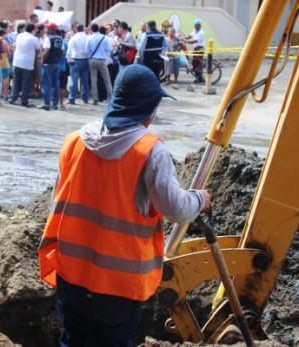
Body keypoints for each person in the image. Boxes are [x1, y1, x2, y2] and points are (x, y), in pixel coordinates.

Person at [38, 64, 211, 347]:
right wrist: (200, 199)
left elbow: (57, 200)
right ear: (149, 109)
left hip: (72, 274)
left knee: (73, 341)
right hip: (117, 286)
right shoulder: (150, 151)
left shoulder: (74, 142)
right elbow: (176, 209)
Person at [9, 23, 41, 107]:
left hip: (16, 62)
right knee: (26, 83)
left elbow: (14, 46)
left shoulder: (19, 36)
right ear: (32, 30)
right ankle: (24, 100)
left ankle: (13, 97)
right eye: (35, 30)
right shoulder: (34, 39)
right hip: (27, 64)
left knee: (16, 81)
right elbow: (38, 51)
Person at [87, 23, 113, 106]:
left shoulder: (90, 38)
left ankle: (95, 98)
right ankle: (110, 97)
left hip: (93, 59)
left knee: (93, 79)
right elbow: (109, 49)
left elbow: (87, 50)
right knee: (107, 79)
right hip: (102, 60)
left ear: (91, 29)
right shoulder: (104, 38)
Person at [41, 23, 63, 111]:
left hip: (48, 63)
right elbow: (62, 52)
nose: (45, 29)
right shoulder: (59, 38)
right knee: (56, 83)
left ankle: (46, 103)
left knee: (46, 83)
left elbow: (46, 51)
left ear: (50, 29)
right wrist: (58, 59)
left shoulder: (48, 38)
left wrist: (43, 60)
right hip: (56, 63)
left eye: (47, 28)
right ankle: (55, 103)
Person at [65, 23, 89, 105]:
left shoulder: (74, 38)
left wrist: (68, 59)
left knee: (74, 81)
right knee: (85, 80)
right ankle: (85, 98)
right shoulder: (87, 37)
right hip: (85, 60)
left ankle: (72, 98)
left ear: (76, 29)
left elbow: (69, 50)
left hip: (75, 60)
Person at [58, 29, 69, 109]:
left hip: (55, 66)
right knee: (62, 86)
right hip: (63, 66)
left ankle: (54, 102)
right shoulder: (65, 43)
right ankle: (61, 103)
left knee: (54, 85)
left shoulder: (53, 42)